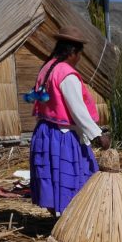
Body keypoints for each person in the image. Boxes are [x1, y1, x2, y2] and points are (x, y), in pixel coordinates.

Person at [29, 27, 111, 215]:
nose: (79, 59)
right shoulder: (66, 74)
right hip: (63, 136)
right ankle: (70, 221)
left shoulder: (46, 68)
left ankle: (59, 220)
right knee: (73, 178)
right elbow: (78, 111)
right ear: (73, 52)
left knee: (52, 178)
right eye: (79, 54)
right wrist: (98, 135)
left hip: (44, 132)